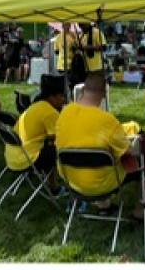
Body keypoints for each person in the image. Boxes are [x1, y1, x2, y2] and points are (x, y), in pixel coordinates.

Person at [55, 72, 140, 202]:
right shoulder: (107, 121)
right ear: (104, 94)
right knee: (143, 165)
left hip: (71, 180)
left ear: (82, 90)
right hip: (103, 184)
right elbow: (128, 151)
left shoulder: (64, 114)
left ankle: (104, 206)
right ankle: (140, 213)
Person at [4, 76, 66, 184]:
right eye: (61, 96)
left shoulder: (36, 106)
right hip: (25, 160)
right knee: (58, 150)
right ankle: (54, 187)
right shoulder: (50, 112)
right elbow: (59, 138)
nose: (64, 100)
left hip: (11, 157)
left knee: (50, 146)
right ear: (52, 96)